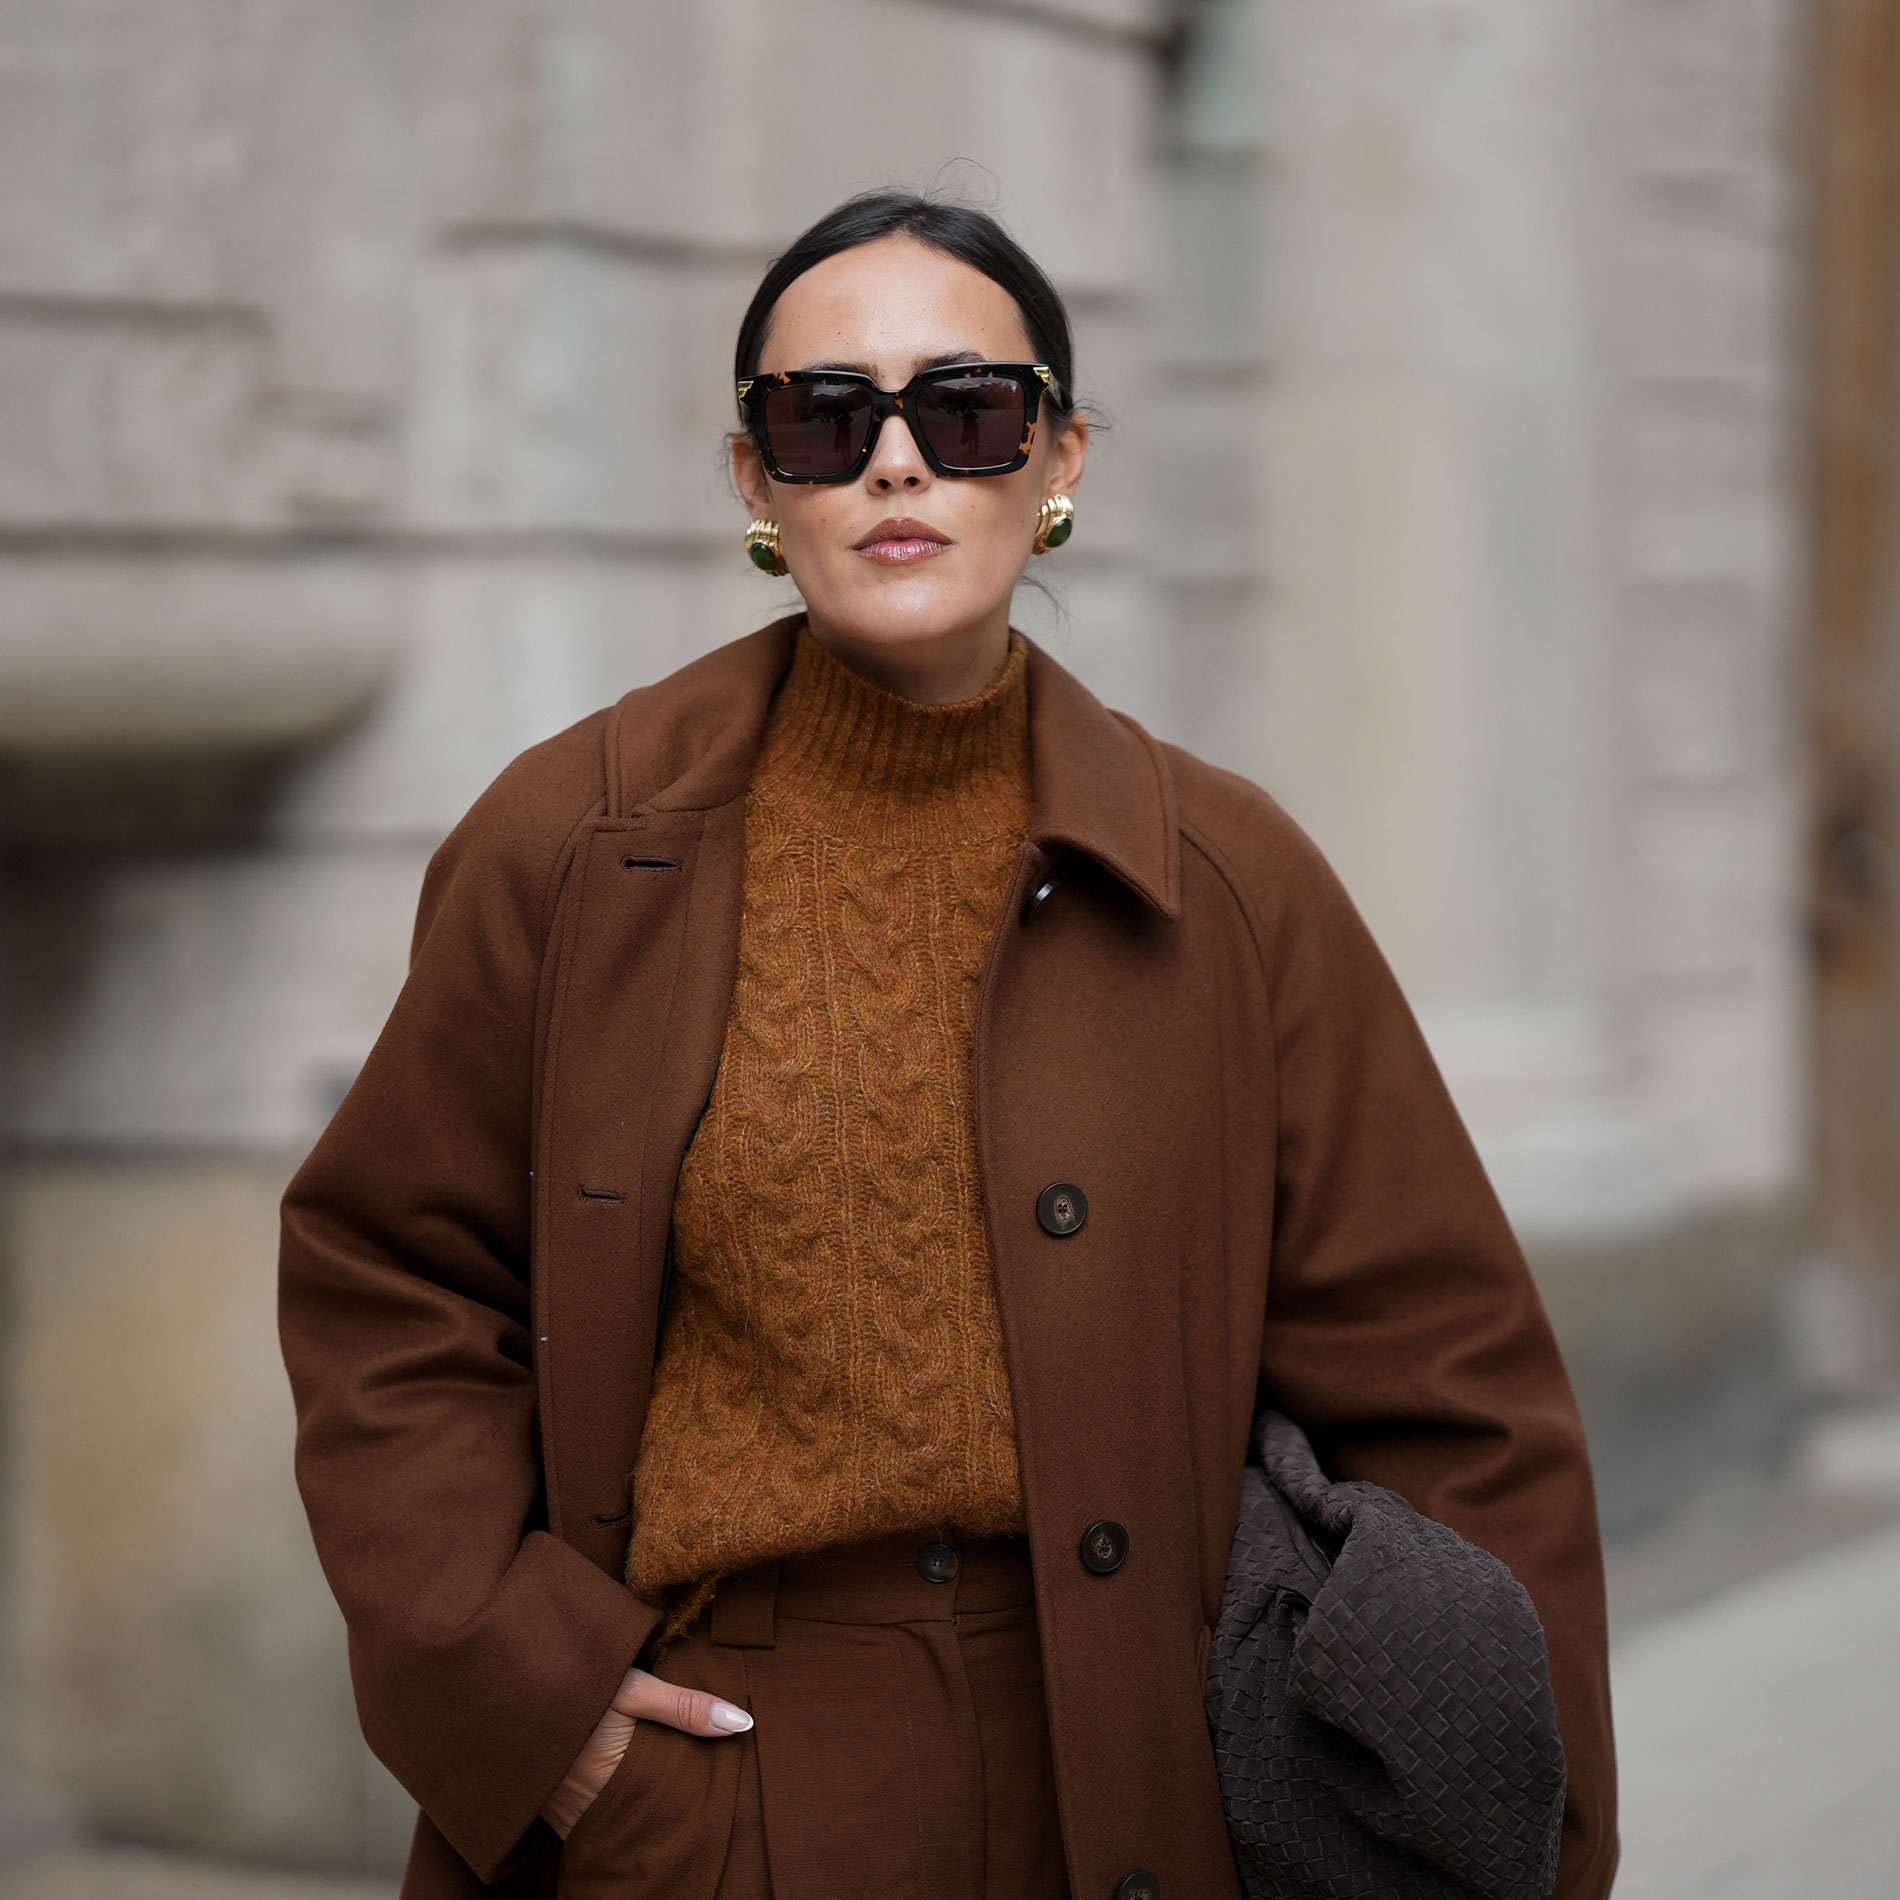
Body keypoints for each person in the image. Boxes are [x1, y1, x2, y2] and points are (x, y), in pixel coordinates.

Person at [279, 191, 1618, 1900]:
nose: (896, 463)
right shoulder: (574, 841)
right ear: (760, 487)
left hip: (1149, 1771)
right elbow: (391, 1280)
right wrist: (537, 1709)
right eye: (824, 419)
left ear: (1056, 460)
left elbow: (1456, 1393)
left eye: (965, 409)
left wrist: (1527, 1835)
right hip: (715, 1787)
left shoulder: (1230, 875)